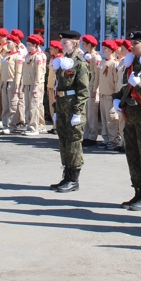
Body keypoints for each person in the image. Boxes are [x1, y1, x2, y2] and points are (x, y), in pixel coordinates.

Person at [113, 30, 141, 211]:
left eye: (135, 43)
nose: (131, 46)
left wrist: (138, 84)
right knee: (132, 155)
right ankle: (138, 191)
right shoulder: (132, 64)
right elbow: (126, 88)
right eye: (131, 43)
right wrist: (118, 98)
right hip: (131, 116)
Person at [49, 30, 90, 193]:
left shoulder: (80, 63)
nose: (62, 44)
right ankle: (66, 175)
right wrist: (56, 109)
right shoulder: (63, 61)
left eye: (66, 42)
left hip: (73, 106)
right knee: (64, 141)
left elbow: (83, 89)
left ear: (75, 43)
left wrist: (78, 112)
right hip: (62, 104)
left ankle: (74, 179)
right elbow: (59, 86)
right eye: (62, 41)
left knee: (73, 142)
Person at [21, 34, 48, 135]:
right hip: (27, 83)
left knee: (34, 106)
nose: (28, 47)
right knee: (28, 106)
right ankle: (29, 125)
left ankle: (34, 128)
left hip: (35, 84)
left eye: (30, 45)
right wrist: (24, 84)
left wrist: (36, 86)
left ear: (36, 45)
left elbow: (39, 73)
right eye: (27, 45)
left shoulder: (38, 56)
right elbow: (25, 71)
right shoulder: (28, 55)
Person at [97, 40, 121, 150]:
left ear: (111, 50)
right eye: (103, 48)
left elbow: (116, 80)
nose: (104, 50)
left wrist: (116, 95)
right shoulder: (102, 62)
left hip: (110, 95)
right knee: (104, 118)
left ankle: (113, 139)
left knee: (111, 118)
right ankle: (106, 138)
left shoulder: (114, 63)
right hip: (102, 93)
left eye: (106, 48)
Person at [0, 35, 24, 133]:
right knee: (5, 105)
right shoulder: (6, 55)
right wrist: (1, 84)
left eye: (9, 42)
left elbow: (18, 72)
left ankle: (11, 126)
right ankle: (5, 125)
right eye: (7, 42)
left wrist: (17, 86)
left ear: (15, 44)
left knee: (13, 105)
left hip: (13, 82)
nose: (7, 44)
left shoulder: (18, 56)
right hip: (5, 82)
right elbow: (2, 71)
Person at [81, 34, 102, 146]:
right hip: (85, 86)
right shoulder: (86, 56)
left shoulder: (96, 57)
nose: (83, 45)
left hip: (92, 87)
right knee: (86, 112)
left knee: (92, 113)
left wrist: (94, 89)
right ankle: (86, 134)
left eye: (84, 43)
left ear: (89, 44)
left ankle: (93, 136)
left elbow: (96, 75)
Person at [45, 40, 61, 133]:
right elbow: (50, 74)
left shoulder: (60, 59)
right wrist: (48, 87)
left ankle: (58, 126)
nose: (50, 50)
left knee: (56, 107)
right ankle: (54, 125)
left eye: (52, 49)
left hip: (56, 87)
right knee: (52, 107)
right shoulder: (52, 59)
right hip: (51, 86)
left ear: (57, 49)